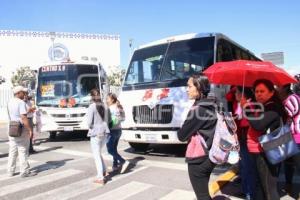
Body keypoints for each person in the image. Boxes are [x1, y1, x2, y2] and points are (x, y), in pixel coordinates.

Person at [243, 79, 287, 200]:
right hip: (264, 151)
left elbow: (258, 125)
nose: (258, 94)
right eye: (256, 91)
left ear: (272, 92)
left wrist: (246, 108)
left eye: (262, 91)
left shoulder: (273, 107)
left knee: (269, 188)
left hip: (267, 152)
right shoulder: (265, 106)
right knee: (264, 186)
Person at [177, 75, 217, 200]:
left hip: (199, 159)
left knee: (202, 196)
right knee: (204, 193)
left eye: (189, 86)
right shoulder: (211, 104)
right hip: (211, 154)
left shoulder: (198, 110)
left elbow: (181, 136)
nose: (187, 89)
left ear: (198, 87)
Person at [7, 85, 37, 178]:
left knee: (13, 150)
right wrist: (30, 130)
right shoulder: (20, 103)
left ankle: (10, 171)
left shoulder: (10, 102)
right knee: (23, 150)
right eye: (23, 92)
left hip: (12, 127)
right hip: (21, 128)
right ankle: (24, 171)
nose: (24, 94)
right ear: (18, 93)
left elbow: (14, 114)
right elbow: (23, 117)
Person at [278, 84, 300, 197]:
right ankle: (288, 185)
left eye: (279, 87)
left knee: (297, 164)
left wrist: (280, 106)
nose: (277, 88)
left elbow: (291, 113)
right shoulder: (287, 99)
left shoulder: (292, 99)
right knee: (288, 163)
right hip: (290, 136)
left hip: (297, 136)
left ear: (285, 88)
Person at [235, 86, 256, 200]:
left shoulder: (250, 105)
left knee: (248, 168)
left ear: (243, 94)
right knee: (243, 167)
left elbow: (248, 123)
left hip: (248, 141)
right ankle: (245, 190)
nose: (235, 95)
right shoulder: (242, 105)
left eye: (237, 92)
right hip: (242, 140)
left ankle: (250, 194)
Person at [87, 89, 110, 185]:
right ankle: (104, 170)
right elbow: (108, 120)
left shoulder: (92, 107)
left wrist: (92, 127)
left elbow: (89, 122)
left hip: (96, 133)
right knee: (98, 153)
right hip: (105, 133)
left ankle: (100, 177)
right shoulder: (105, 106)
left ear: (92, 97)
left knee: (96, 155)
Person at [106, 93, 129, 174]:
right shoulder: (119, 107)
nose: (106, 100)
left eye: (108, 99)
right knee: (114, 149)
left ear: (112, 99)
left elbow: (107, 120)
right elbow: (123, 118)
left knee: (110, 150)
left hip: (112, 131)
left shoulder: (111, 108)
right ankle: (115, 165)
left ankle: (123, 161)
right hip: (119, 130)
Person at [23, 88, 36, 154]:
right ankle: (25, 149)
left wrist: (33, 109)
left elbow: (33, 109)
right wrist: (29, 110)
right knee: (24, 135)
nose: (25, 96)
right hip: (25, 119)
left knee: (31, 134)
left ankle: (30, 148)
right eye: (24, 94)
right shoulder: (21, 103)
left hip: (30, 119)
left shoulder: (30, 102)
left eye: (26, 94)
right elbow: (23, 113)